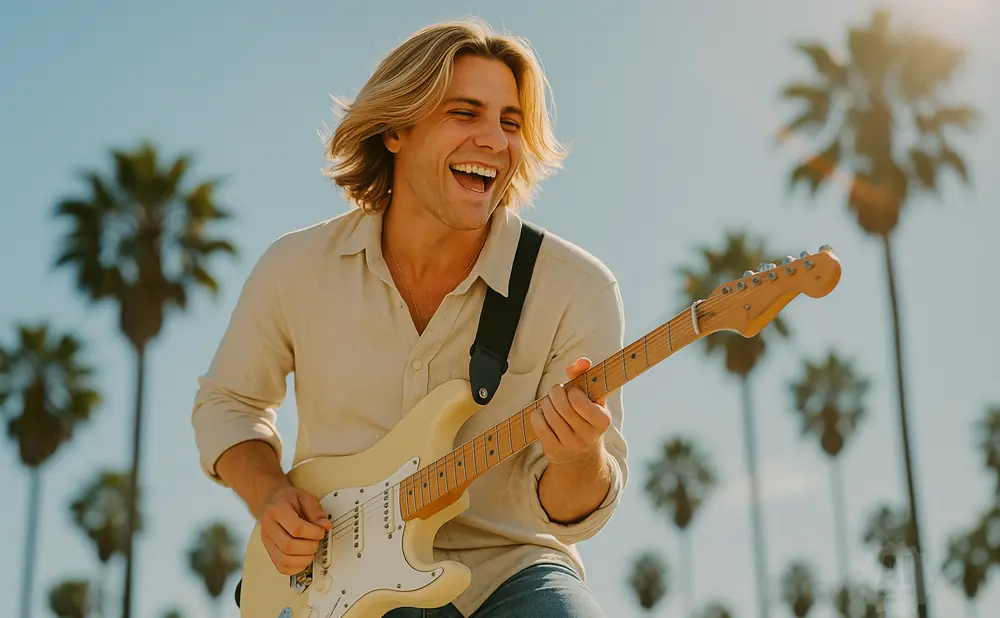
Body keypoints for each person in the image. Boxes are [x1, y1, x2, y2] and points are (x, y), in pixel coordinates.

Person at [191, 18, 628, 618]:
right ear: (397, 128)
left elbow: (572, 510)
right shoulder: (296, 267)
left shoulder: (577, 288)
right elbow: (228, 405)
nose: (495, 142)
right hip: (337, 580)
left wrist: (578, 456)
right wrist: (272, 495)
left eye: (510, 122)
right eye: (465, 113)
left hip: (510, 568)